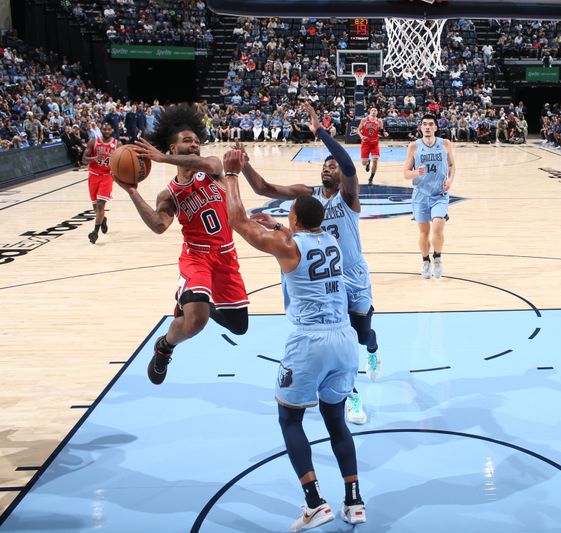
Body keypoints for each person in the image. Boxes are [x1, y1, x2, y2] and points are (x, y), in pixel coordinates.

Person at [222, 152, 367, 531]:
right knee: (336, 419)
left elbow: (238, 220)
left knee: (289, 418)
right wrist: (279, 225)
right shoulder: (332, 240)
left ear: (295, 220)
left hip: (311, 341)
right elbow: (301, 236)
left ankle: (315, 501)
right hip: (344, 340)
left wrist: (231, 175)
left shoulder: (289, 245)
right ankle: (354, 501)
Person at [239, 102, 380, 425]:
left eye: (333, 165)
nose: (330, 167)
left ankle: (373, 347)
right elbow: (265, 188)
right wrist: (245, 166)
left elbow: (348, 165)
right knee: (341, 337)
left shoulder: (348, 196)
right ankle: (351, 395)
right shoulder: (309, 195)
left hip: (354, 274)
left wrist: (320, 132)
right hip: (324, 280)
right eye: (326, 165)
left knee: (362, 334)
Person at [116, 104, 249, 384]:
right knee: (195, 322)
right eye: (187, 141)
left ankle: (191, 300)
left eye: (196, 141)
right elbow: (158, 225)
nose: (194, 145)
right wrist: (132, 192)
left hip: (227, 256)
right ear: (172, 147)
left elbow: (211, 163)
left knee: (239, 326)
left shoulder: (212, 169)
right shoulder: (169, 194)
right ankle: (165, 346)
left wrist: (163, 159)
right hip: (196, 257)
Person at [403, 114, 456, 278]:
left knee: (438, 230)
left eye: (430, 124)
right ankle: (425, 261)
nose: (427, 127)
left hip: (439, 194)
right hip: (420, 195)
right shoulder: (414, 146)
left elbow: (452, 165)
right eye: (424, 124)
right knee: (424, 233)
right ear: (420, 127)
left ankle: (437, 258)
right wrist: (415, 173)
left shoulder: (445, 144)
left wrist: (450, 180)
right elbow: (405, 173)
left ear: (435, 127)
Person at [82, 121, 117, 243]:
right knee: (96, 208)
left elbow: (122, 161)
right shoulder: (93, 142)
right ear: (101, 129)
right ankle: (103, 219)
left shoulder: (117, 144)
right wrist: (94, 158)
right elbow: (84, 159)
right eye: (104, 129)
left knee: (101, 205)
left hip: (107, 176)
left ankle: (95, 232)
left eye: (109, 129)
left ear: (112, 130)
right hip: (93, 176)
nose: (106, 131)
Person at [357, 107, 388, 185]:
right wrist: (361, 136)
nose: (374, 112)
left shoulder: (379, 121)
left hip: (374, 143)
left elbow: (381, 130)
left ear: (377, 112)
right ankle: (367, 163)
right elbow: (358, 130)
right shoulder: (364, 120)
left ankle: (371, 177)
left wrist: (384, 133)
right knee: (364, 163)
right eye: (372, 110)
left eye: (375, 110)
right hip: (365, 143)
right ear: (369, 112)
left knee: (375, 160)